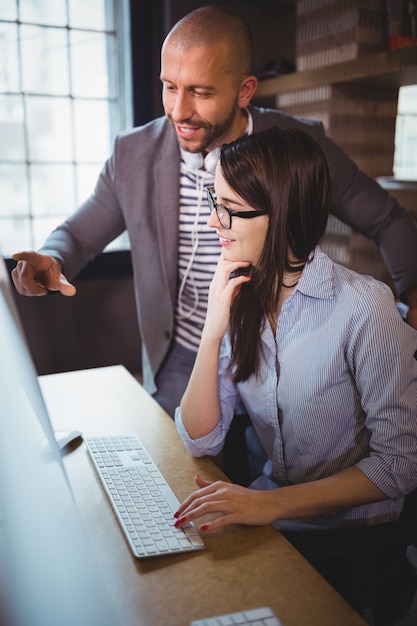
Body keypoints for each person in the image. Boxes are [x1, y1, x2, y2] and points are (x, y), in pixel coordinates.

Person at [11, 5, 417, 417]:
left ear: (245, 91)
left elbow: (387, 218)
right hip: (183, 354)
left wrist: (414, 293)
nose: (178, 111)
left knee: (275, 477)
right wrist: (53, 258)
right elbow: (79, 234)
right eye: (170, 86)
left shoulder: (300, 145)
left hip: (281, 353)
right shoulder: (132, 154)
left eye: (201, 92)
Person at [173, 127, 417, 624]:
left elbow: (400, 465)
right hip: (277, 519)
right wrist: (212, 333)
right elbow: (202, 438)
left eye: (228, 209)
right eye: (212, 201)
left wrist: (271, 505)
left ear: (280, 216)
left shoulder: (362, 307)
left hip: (353, 538)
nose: (213, 220)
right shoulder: (240, 292)